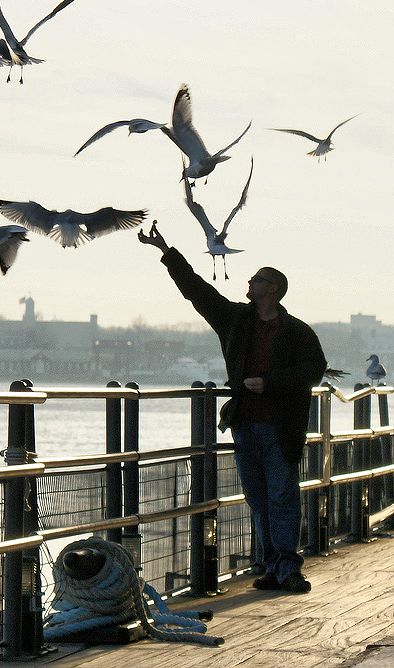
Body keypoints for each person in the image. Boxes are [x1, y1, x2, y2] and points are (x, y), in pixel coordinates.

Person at [138, 220, 327, 593]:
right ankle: (273, 566)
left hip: (280, 426)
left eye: (257, 279)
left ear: (273, 289)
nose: (249, 283)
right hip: (245, 424)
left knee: (283, 497)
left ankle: (288, 568)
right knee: (259, 499)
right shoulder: (236, 320)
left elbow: (314, 369)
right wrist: (166, 252)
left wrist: (270, 382)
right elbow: (197, 292)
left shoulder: (297, 331)